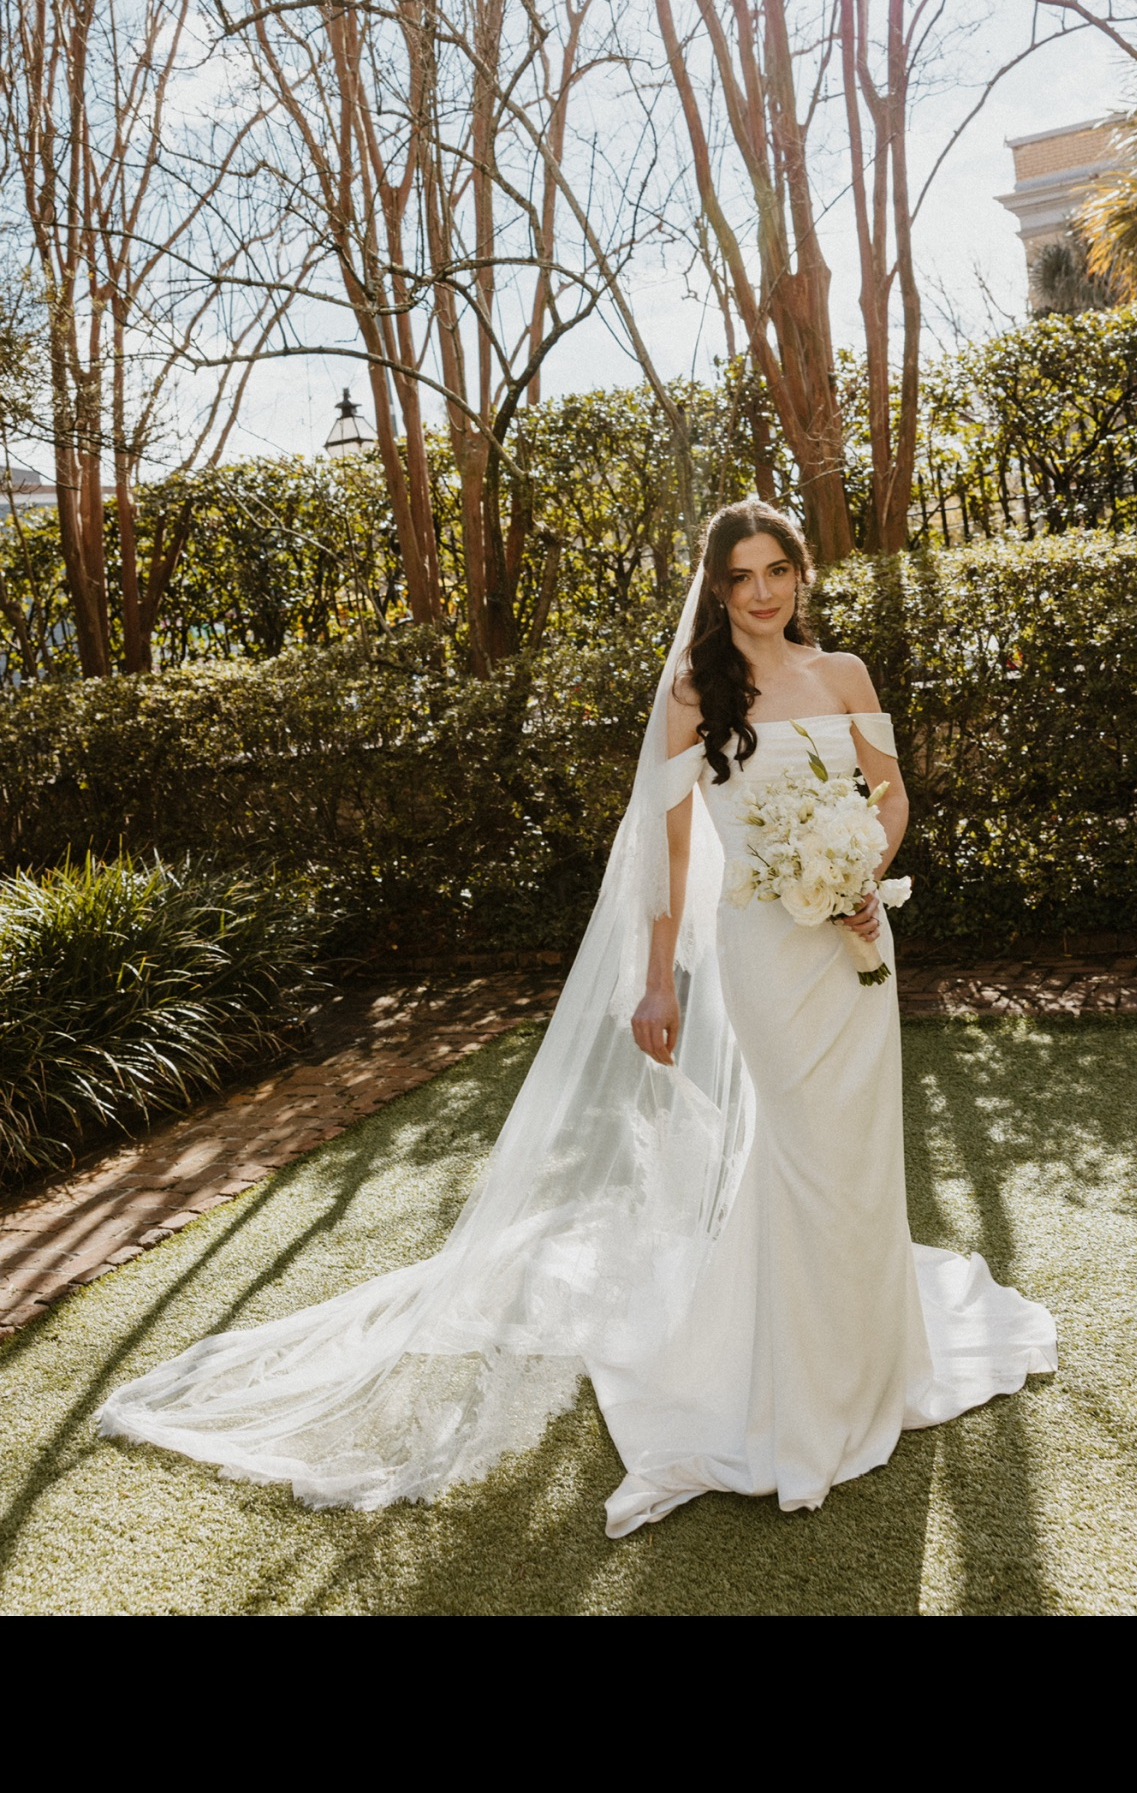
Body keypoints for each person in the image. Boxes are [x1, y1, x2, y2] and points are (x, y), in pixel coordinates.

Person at [96, 499, 1055, 1535]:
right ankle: (804, 1391)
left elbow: (893, 796)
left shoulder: (847, 675)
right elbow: (670, 854)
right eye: (744, 577)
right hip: (765, 958)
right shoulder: (695, 694)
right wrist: (658, 981)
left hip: (854, 945)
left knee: (863, 1155)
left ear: (801, 573)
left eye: (779, 569)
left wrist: (864, 868)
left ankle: (874, 1359)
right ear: (719, 589)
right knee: (807, 1153)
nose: (765, 592)